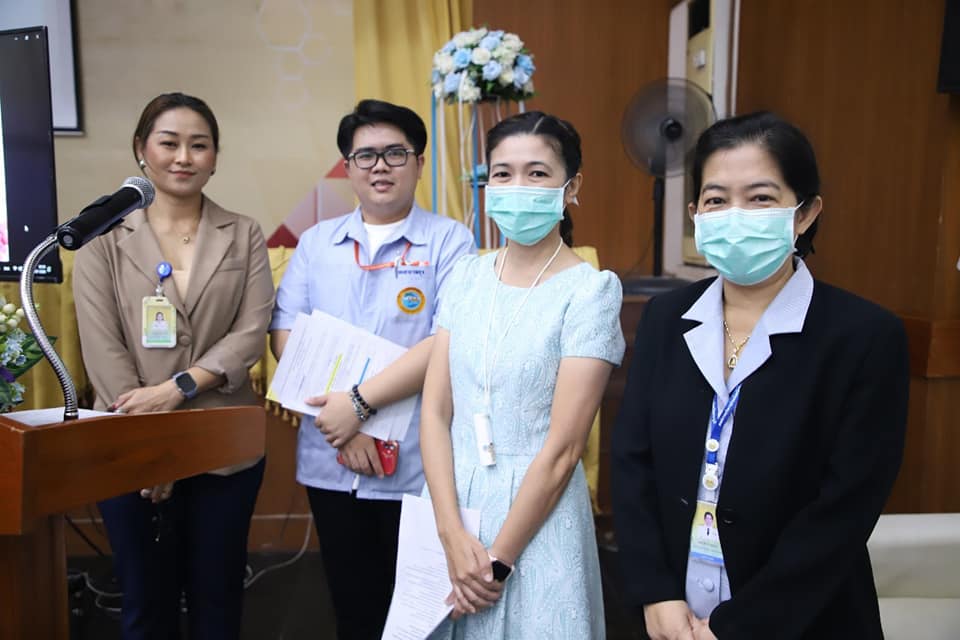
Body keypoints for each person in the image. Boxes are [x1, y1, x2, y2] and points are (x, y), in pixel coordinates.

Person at [611, 111, 909, 640]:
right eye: (717, 200)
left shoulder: (864, 336)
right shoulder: (665, 319)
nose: (736, 216)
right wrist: (654, 591)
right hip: (673, 615)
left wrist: (740, 627)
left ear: (805, 213)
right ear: (696, 215)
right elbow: (633, 462)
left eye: (761, 198)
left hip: (802, 621)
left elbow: (844, 508)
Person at [269, 99, 475, 640]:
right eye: (366, 156)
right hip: (332, 451)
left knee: (420, 610)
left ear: (419, 163)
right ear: (348, 167)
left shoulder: (451, 241)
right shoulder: (316, 243)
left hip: (417, 459)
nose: (380, 166)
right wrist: (346, 422)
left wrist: (359, 406)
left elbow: (446, 342)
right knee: (352, 604)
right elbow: (286, 335)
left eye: (395, 153)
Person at [73, 92, 275, 639]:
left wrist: (178, 388)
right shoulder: (101, 237)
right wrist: (151, 448)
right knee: (145, 605)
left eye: (199, 145)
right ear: (142, 150)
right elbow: (102, 348)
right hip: (127, 443)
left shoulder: (244, 233)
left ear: (215, 157)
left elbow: (250, 333)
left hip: (223, 445)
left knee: (218, 602)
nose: (184, 157)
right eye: (169, 143)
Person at [420, 111, 626, 639]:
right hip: (451, 503)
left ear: (571, 187)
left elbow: (564, 447)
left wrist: (498, 561)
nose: (518, 187)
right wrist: (449, 531)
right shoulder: (466, 276)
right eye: (503, 173)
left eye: (537, 173)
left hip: (537, 518)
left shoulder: (591, 291)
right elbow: (436, 411)